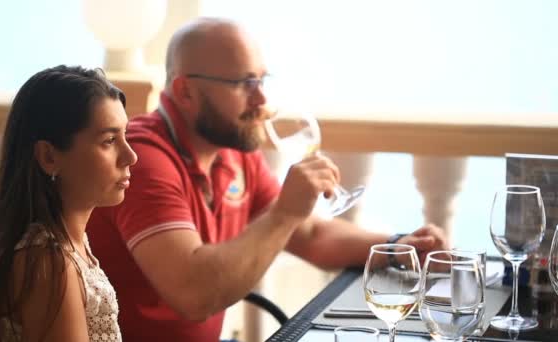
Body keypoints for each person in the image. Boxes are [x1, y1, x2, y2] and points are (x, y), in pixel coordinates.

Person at [86, 17, 448, 342]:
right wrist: (285, 213)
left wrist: (401, 245)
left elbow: (310, 235)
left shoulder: (233, 150)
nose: (262, 100)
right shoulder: (143, 158)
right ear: (185, 92)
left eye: (261, 80)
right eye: (244, 83)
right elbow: (192, 295)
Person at [0, 65, 138, 341]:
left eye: (125, 135)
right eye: (109, 140)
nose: (130, 156)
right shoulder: (46, 260)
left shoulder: (64, 245)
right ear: (49, 157)